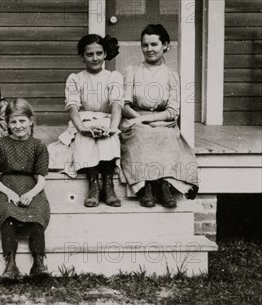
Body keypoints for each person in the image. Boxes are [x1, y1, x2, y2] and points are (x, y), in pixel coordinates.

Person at [120, 24, 199, 208]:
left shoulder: (171, 75)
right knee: (141, 134)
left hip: (162, 120)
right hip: (134, 118)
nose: (149, 49)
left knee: (166, 135)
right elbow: (125, 105)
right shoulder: (133, 71)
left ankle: (164, 186)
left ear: (165, 45)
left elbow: (172, 111)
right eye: (145, 45)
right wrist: (139, 119)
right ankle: (144, 187)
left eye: (154, 44)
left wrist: (149, 120)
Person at [48, 34, 123, 207]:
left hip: (107, 119)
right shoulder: (75, 79)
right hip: (84, 120)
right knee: (86, 136)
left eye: (99, 53)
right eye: (90, 54)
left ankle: (108, 184)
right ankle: (93, 184)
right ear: (82, 56)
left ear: (105, 54)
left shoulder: (113, 77)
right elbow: (73, 107)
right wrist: (81, 128)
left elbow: (116, 105)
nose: (95, 58)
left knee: (107, 136)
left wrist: (112, 127)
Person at [0, 99, 50, 281]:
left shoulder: (39, 146)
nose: (18, 126)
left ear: (31, 121)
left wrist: (31, 193)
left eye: (22, 121)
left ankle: (38, 263)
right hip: (5, 187)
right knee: (7, 212)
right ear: (7, 124)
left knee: (37, 212)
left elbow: (41, 180)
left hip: (31, 187)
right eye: (13, 122)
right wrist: (9, 193)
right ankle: (10, 265)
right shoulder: (0, 144)